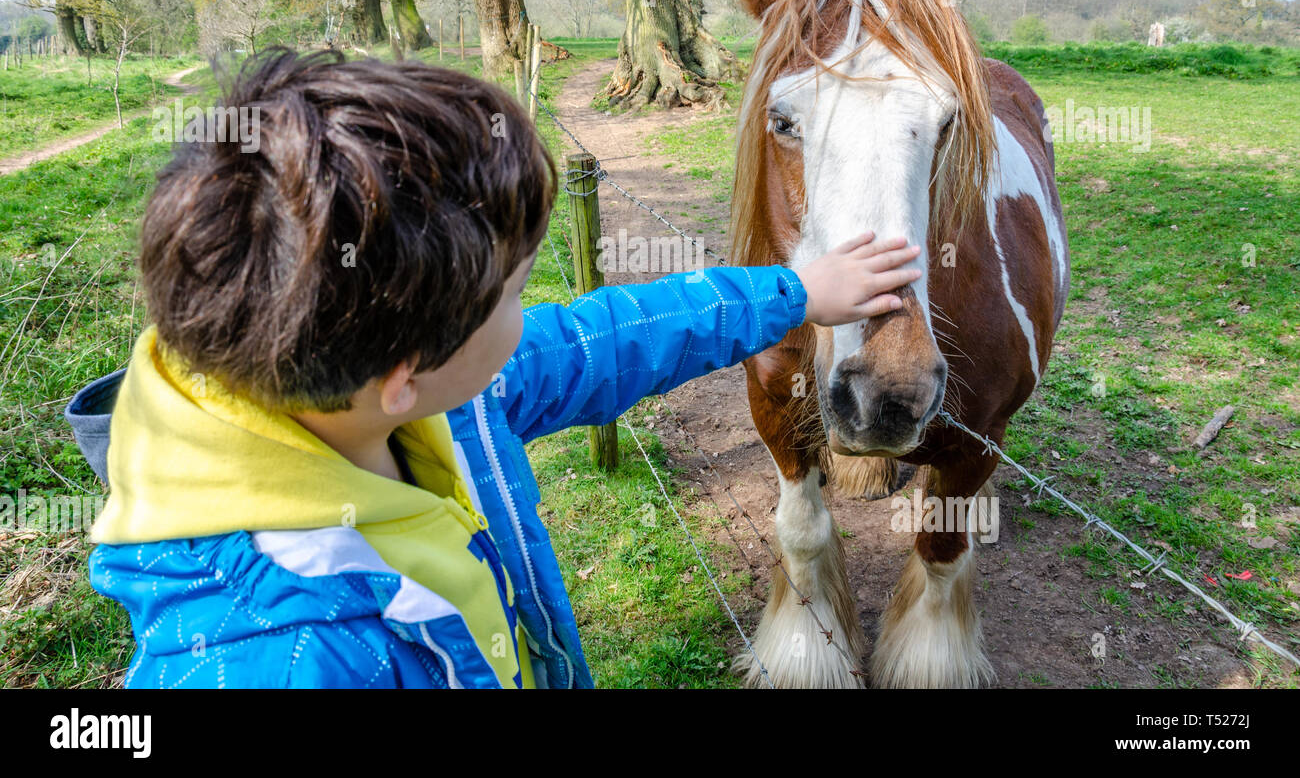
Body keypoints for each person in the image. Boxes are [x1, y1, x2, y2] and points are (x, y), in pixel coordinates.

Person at [64, 48, 922, 688]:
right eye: (517, 295)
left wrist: (797, 290)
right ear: (408, 371)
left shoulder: (409, 397)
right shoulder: (278, 658)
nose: (532, 316)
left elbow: (612, 336)